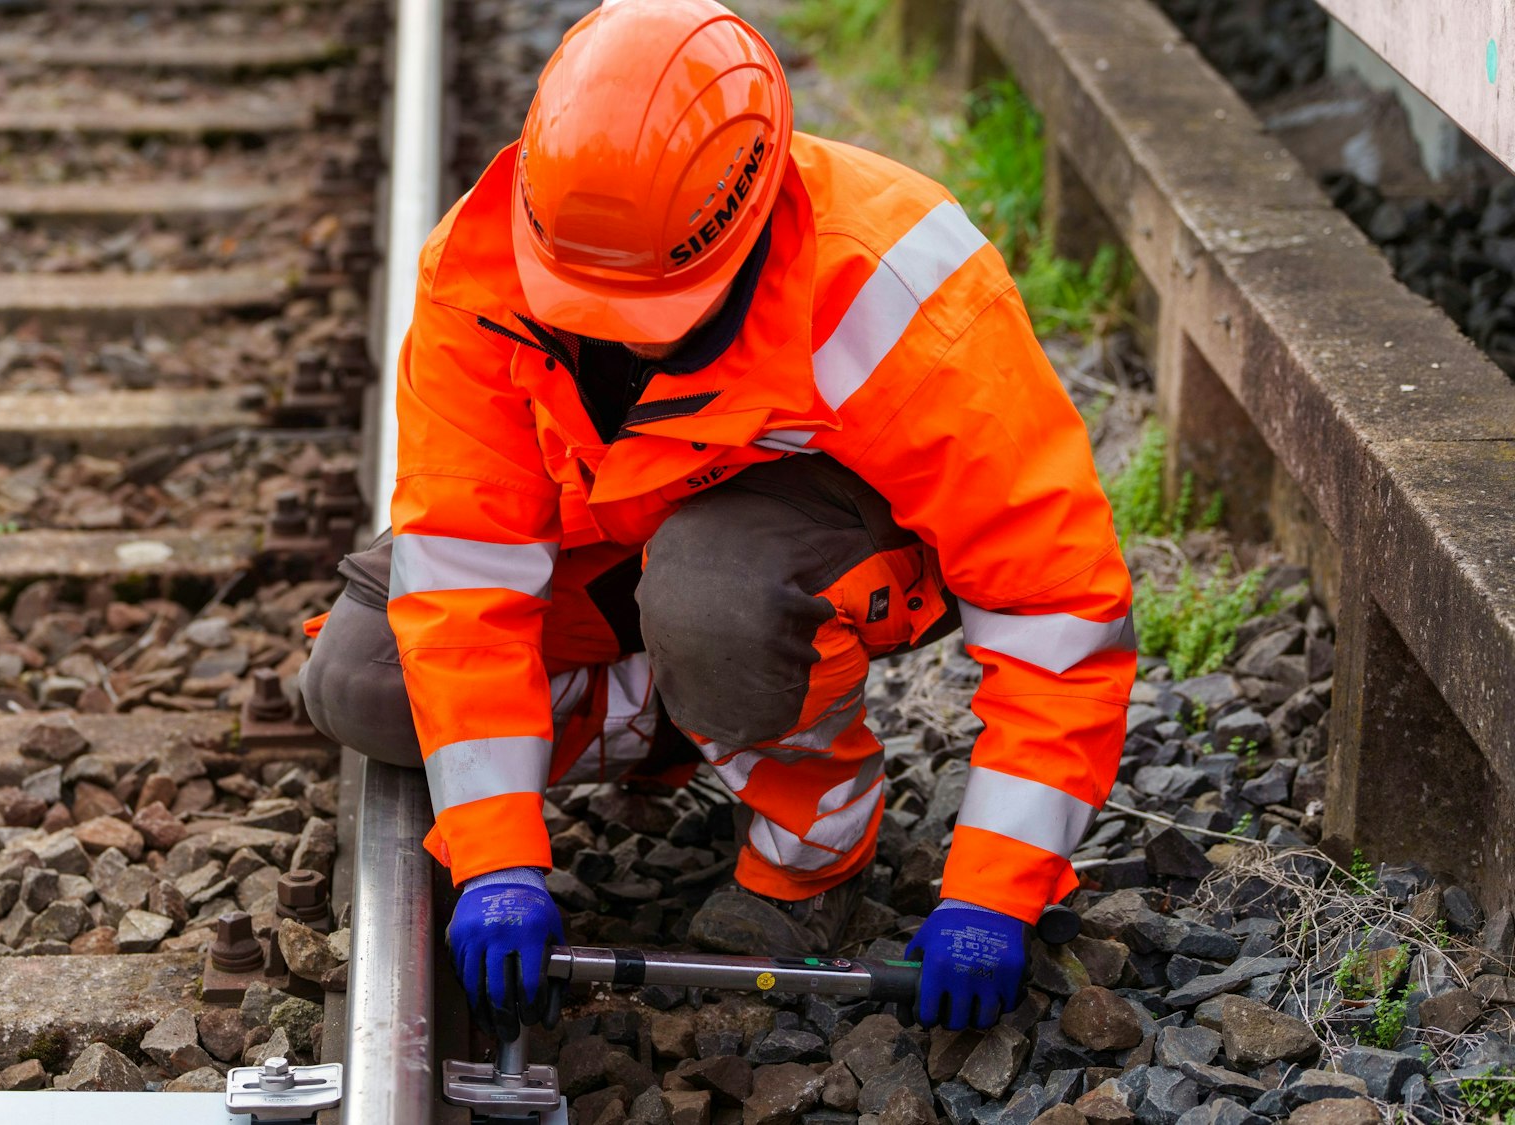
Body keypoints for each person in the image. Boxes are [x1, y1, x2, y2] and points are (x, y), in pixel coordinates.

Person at [300, 0, 1133, 1036]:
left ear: (750, 224)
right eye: (582, 314)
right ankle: (686, 714)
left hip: (783, 561)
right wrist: (498, 856)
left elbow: (1056, 615)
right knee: (361, 683)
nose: (620, 343)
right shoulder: (477, 273)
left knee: (710, 599)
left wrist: (996, 890)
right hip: (611, 542)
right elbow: (463, 572)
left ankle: (812, 844)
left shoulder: (892, 285)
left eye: (655, 321)